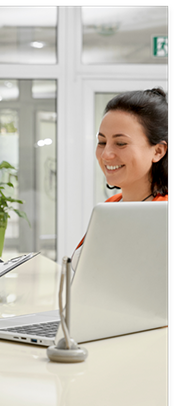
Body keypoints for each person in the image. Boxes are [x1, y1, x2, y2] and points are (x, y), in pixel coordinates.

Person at [72, 88, 168, 270]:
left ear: (158, 151)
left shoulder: (164, 214)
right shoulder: (110, 206)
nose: (106, 154)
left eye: (121, 143)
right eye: (101, 142)